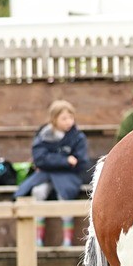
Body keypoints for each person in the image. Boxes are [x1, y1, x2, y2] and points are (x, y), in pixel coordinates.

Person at [16, 100, 91, 247]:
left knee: (64, 196)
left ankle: (67, 239)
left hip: (68, 176)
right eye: (64, 118)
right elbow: (40, 159)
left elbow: (81, 161)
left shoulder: (78, 137)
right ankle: (38, 238)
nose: (69, 121)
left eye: (71, 117)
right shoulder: (43, 136)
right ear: (54, 119)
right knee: (38, 191)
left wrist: (54, 162)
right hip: (44, 175)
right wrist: (64, 160)